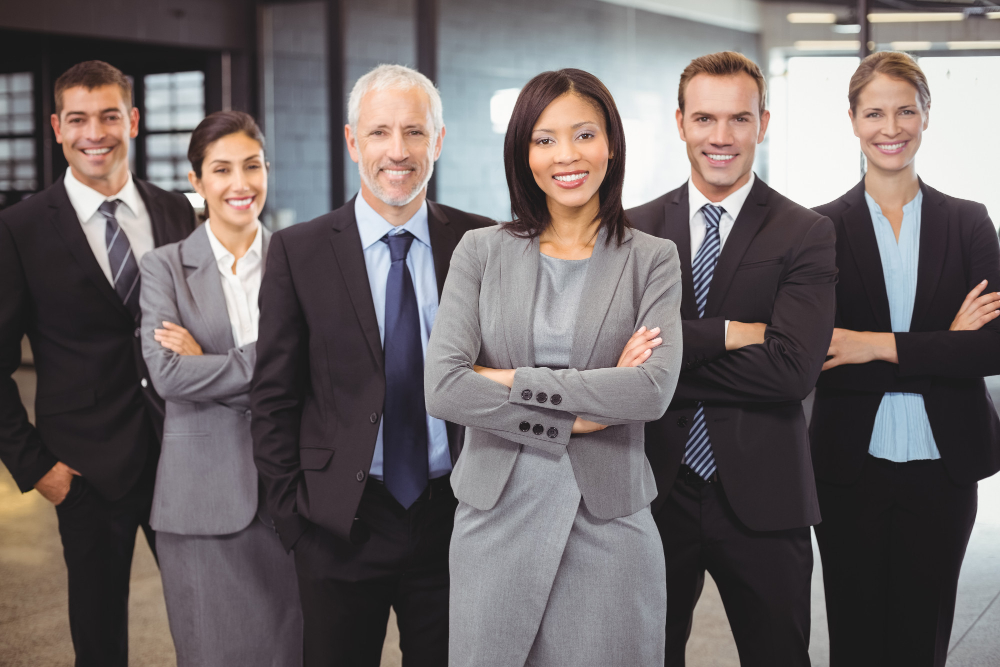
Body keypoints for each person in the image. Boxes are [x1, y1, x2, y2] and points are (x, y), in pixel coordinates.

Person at [424, 68, 683, 667]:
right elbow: (443, 386)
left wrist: (506, 378)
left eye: (584, 134)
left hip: (608, 519)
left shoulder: (652, 259)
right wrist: (580, 414)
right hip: (496, 517)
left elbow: (648, 392)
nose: (566, 155)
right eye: (544, 139)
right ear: (523, 152)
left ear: (611, 144)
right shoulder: (480, 251)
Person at [251, 63, 491, 666]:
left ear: (437, 141)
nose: (398, 151)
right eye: (380, 132)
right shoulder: (299, 251)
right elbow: (274, 397)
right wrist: (296, 524)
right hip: (339, 525)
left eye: (415, 132)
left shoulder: (481, 243)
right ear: (354, 141)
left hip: (453, 518)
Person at [628, 51, 838, 667]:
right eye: (705, 119)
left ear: (763, 124)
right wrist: (727, 334)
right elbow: (619, 364)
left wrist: (667, 364)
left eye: (739, 120)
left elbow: (792, 370)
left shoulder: (806, 232)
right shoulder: (634, 232)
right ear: (680, 122)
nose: (721, 138)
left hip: (766, 498)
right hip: (652, 492)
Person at [0, 61, 196, 666]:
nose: (96, 133)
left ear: (132, 121)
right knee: (99, 637)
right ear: (58, 127)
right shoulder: (20, 228)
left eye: (110, 116)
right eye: (79, 119)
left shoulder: (175, 213)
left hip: (182, 459)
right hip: (84, 473)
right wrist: (38, 469)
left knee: (208, 612)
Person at [811, 51, 1000, 667]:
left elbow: (991, 347)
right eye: (875, 113)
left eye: (905, 111)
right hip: (849, 465)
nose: (890, 128)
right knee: (856, 640)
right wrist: (942, 344)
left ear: (925, 116)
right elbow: (818, 353)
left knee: (923, 643)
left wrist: (873, 345)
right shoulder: (817, 230)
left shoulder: (969, 222)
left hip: (943, 466)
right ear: (852, 119)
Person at [138, 111, 303, 666]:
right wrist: (270, 366)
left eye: (252, 166)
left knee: (292, 652)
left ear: (267, 170)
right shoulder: (164, 267)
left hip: (291, 490)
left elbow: (318, 370)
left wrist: (210, 365)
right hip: (201, 498)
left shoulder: (300, 258)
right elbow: (167, 376)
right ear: (196, 181)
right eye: (221, 169)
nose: (240, 184)